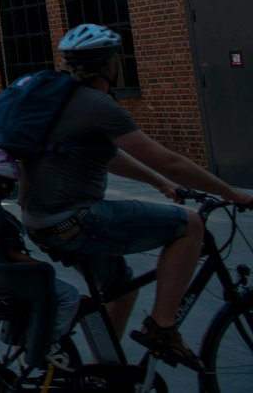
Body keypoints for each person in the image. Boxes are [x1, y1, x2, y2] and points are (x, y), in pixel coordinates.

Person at [19, 23, 253, 372]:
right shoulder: (97, 105)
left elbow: (106, 155)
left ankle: (104, 373)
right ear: (111, 65)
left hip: (41, 220)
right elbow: (171, 162)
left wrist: (158, 182)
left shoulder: (59, 102)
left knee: (122, 287)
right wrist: (231, 192)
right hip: (77, 221)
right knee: (190, 225)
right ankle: (162, 326)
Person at [0, 148, 80, 344]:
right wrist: (40, 265)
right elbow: (12, 253)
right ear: (2, 185)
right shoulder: (0, 219)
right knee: (69, 295)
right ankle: (50, 343)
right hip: (14, 276)